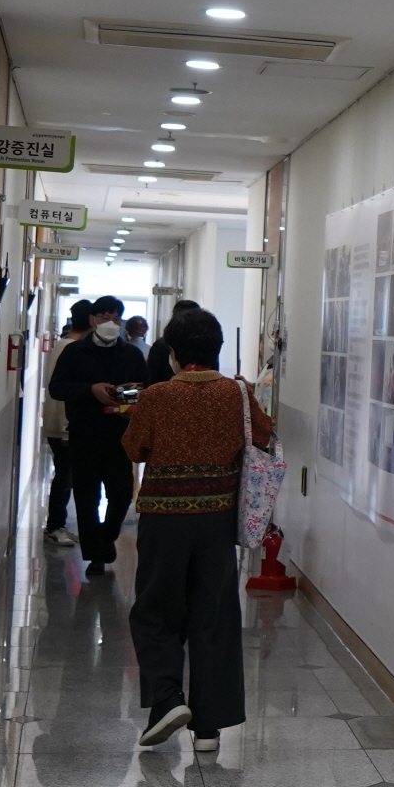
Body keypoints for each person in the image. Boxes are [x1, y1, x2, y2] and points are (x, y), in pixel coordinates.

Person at [124, 305, 274, 751]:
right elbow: (263, 436)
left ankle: (168, 699)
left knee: (155, 610)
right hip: (216, 520)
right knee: (213, 615)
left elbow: (134, 448)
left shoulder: (157, 396)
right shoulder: (236, 394)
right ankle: (209, 727)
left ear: (173, 353)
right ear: (217, 349)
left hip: (163, 521)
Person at [47, 294, 149, 576]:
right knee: (86, 498)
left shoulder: (131, 355)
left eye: (116, 318)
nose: (111, 323)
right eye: (105, 317)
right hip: (84, 435)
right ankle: (96, 556)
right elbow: (57, 388)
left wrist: (128, 400)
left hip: (120, 436)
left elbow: (146, 390)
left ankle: (107, 537)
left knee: (121, 495)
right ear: (93, 320)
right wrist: (90, 390)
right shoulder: (74, 352)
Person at [42, 300, 94, 544]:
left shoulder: (64, 344)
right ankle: (54, 527)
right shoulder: (70, 348)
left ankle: (58, 524)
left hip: (61, 424)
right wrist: (66, 429)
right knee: (64, 477)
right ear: (92, 321)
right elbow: (64, 392)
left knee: (66, 476)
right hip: (63, 426)